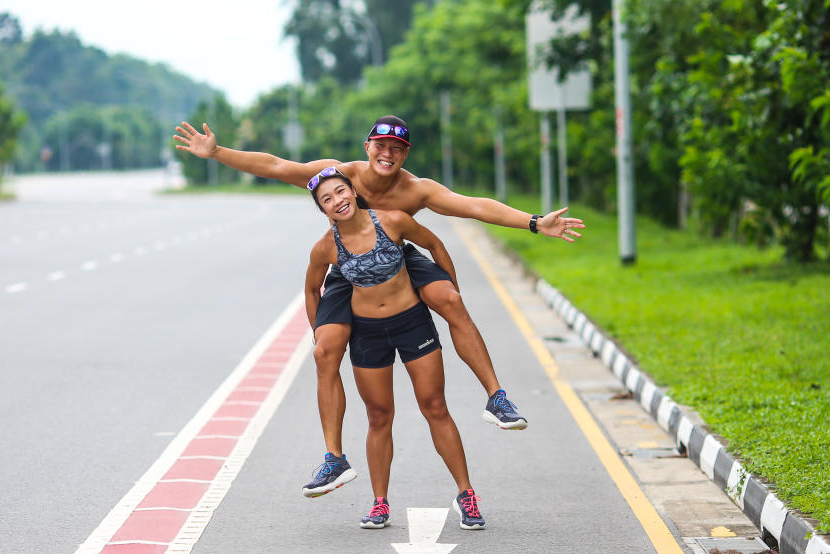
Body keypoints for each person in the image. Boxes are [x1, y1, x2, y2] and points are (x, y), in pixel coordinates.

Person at [174, 115, 585, 497]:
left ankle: (496, 397)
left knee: (450, 299)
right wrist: (218, 153)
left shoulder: (415, 190)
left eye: (397, 149)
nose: (387, 154)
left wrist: (533, 222)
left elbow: (473, 205)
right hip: (348, 267)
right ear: (367, 146)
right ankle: (334, 458)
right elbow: (278, 166)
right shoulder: (340, 174)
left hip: (399, 256)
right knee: (325, 349)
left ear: (405, 155)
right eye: (381, 146)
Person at [304, 166, 485, 529]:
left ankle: (467, 495)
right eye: (326, 199)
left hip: (411, 323)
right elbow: (312, 290)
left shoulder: (393, 220)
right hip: (368, 334)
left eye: (340, 192)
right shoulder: (326, 247)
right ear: (322, 210)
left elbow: (434, 244)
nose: (337, 201)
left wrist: (450, 287)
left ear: (353, 192)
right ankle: (380, 503)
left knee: (435, 407)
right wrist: (318, 331)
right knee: (378, 417)